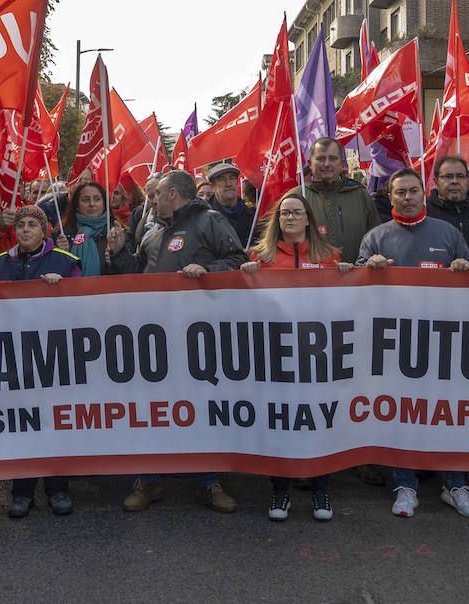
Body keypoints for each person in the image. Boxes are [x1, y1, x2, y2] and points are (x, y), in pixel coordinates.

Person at [112, 170, 247, 513]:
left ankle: (208, 482)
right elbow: (139, 274)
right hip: (155, 335)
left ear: (173, 194)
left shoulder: (209, 220)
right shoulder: (153, 232)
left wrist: (207, 272)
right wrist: (118, 254)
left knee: (199, 407)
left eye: (156, 195)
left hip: (198, 335)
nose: (151, 201)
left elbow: (239, 260)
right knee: (152, 408)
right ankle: (150, 481)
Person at [357, 167, 469, 520]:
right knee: (402, 416)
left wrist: (464, 265)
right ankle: (405, 484)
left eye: (413, 191)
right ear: (391, 197)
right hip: (395, 346)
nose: (407, 197)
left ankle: (454, 484)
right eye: (400, 192)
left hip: (443, 343)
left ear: (424, 193)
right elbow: (354, 286)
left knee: (448, 415)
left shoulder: (447, 232)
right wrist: (369, 269)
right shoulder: (376, 237)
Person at [241, 193, 351, 522]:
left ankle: (320, 489)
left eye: (296, 212)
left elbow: (348, 301)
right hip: (279, 357)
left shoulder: (330, 256)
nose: (290, 218)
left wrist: (347, 275)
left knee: (320, 422)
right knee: (282, 422)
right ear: (277, 220)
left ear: (308, 219)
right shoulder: (261, 255)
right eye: (284, 213)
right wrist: (247, 274)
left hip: (319, 358)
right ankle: (281, 489)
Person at [0, 205, 81, 517]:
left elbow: (82, 307)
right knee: (21, 425)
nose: (26, 230)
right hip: (14, 359)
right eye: (21, 225)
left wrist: (64, 288)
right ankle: (22, 492)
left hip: (53, 357)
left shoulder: (66, 262)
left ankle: (58, 489)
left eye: (33, 224)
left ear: (45, 229)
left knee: (55, 423)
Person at [297, 136, 381, 264]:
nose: (326, 164)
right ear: (310, 163)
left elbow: (376, 239)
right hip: (311, 280)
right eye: (320, 159)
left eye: (332, 158)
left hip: (356, 279)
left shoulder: (360, 195)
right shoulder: (296, 198)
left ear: (341, 163)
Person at [55, 181, 130, 277]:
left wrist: (117, 256)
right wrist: (61, 254)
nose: (92, 204)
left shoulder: (118, 233)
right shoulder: (62, 233)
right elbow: (53, 272)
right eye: (85, 200)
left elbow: (130, 272)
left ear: (104, 204)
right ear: (77, 206)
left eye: (97, 199)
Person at [206, 162, 255, 247]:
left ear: (237, 183)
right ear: (212, 187)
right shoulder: (204, 218)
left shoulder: (254, 216)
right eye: (221, 179)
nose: (228, 183)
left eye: (232, 178)